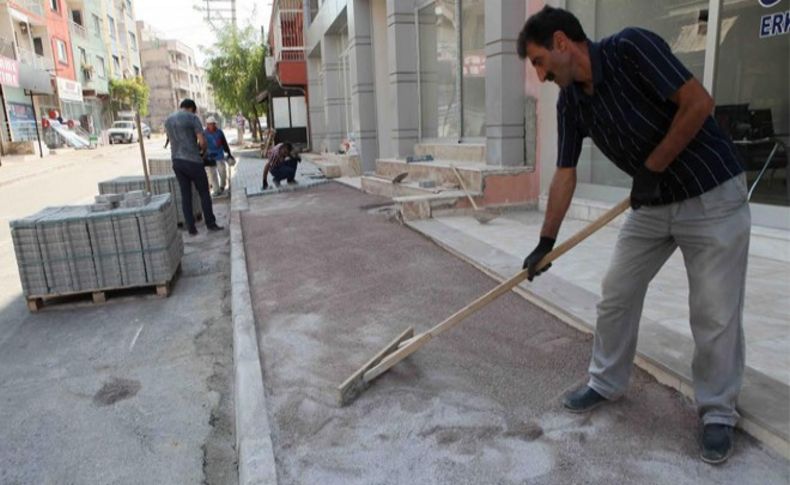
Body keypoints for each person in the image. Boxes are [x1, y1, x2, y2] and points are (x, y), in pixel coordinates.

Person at [517, 7, 749, 465]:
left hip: (711, 195)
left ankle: (718, 412)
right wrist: (546, 242)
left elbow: (699, 103)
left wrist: (654, 166)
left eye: (539, 61)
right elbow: (565, 173)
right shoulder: (571, 102)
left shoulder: (631, 49)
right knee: (617, 291)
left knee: (714, 311)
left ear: (562, 43)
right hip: (653, 204)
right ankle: (605, 381)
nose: (540, 75)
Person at [164, 99, 224, 235]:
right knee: (204, 193)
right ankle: (211, 224)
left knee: (186, 195)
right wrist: (203, 151)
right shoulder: (192, 118)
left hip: (177, 162)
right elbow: (202, 141)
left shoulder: (168, 120)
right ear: (192, 108)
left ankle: (191, 228)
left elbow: (170, 140)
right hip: (193, 161)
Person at [203, 116, 235, 196]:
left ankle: (222, 186)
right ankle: (216, 190)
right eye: (210, 124)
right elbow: (201, 144)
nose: (212, 126)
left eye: (213, 124)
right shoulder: (204, 133)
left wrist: (229, 153)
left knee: (222, 172)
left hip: (219, 155)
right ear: (207, 125)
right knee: (212, 174)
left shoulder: (219, 132)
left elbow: (224, 143)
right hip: (209, 157)